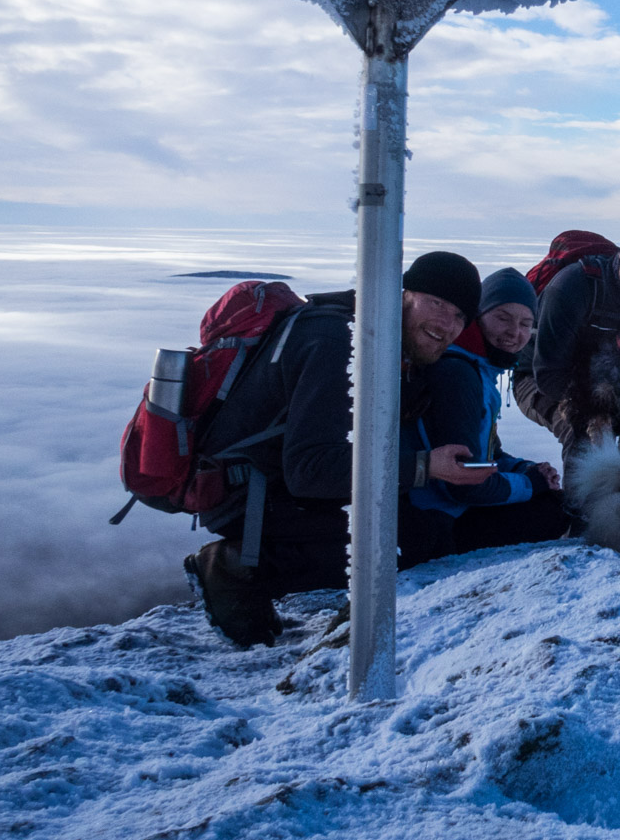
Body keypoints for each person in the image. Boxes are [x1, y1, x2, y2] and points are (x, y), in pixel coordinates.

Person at [184, 250, 495, 647]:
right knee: (399, 541)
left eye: (459, 316)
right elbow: (309, 468)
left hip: (274, 485)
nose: (446, 324)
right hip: (247, 492)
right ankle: (236, 566)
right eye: (436, 304)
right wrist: (423, 466)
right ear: (403, 295)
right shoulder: (339, 343)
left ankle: (263, 576)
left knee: (423, 529)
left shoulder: (377, 341)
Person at [404, 267, 570, 556]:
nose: (514, 333)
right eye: (502, 318)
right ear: (477, 318)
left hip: (443, 508)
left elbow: (486, 454)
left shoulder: (476, 369)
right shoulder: (459, 375)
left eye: (525, 323)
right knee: (553, 512)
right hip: (435, 520)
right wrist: (531, 484)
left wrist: (524, 469)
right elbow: (464, 484)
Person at [515, 202, 620, 471]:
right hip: (538, 379)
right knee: (583, 435)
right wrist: (596, 412)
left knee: (618, 437)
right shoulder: (575, 286)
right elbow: (548, 372)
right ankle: (580, 509)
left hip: (615, 388)